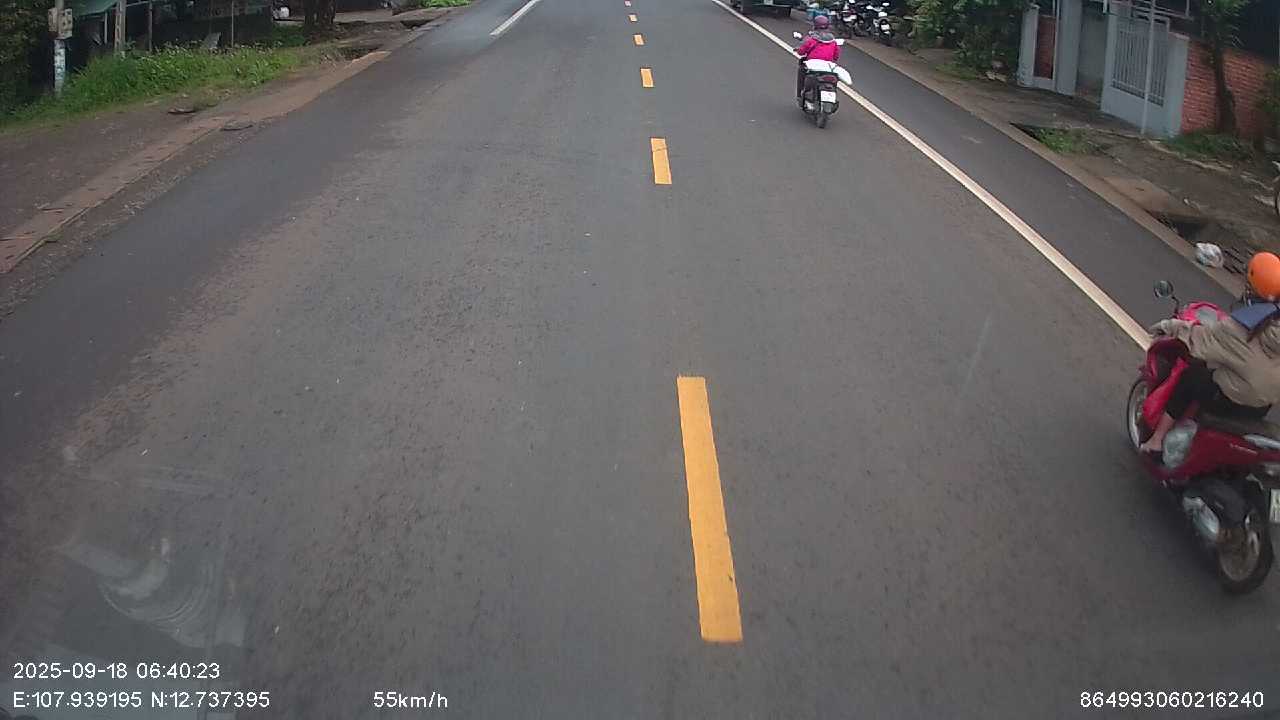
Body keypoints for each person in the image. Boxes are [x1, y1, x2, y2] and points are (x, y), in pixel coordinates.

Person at [1140, 251, 1280, 454]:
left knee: (1190, 377)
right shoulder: (1273, 325)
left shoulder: (1238, 328)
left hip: (1231, 401)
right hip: (1262, 406)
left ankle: (1157, 440)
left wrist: (1168, 326)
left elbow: (1199, 339)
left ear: (1252, 287)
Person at [795, 15, 840, 104]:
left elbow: (801, 51)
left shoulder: (812, 39)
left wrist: (798, 50)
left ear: (815, 25)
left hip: (813, 66)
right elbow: (836, 56)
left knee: (801, 70)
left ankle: (800, 95)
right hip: (828, 67)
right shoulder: (833, 40)